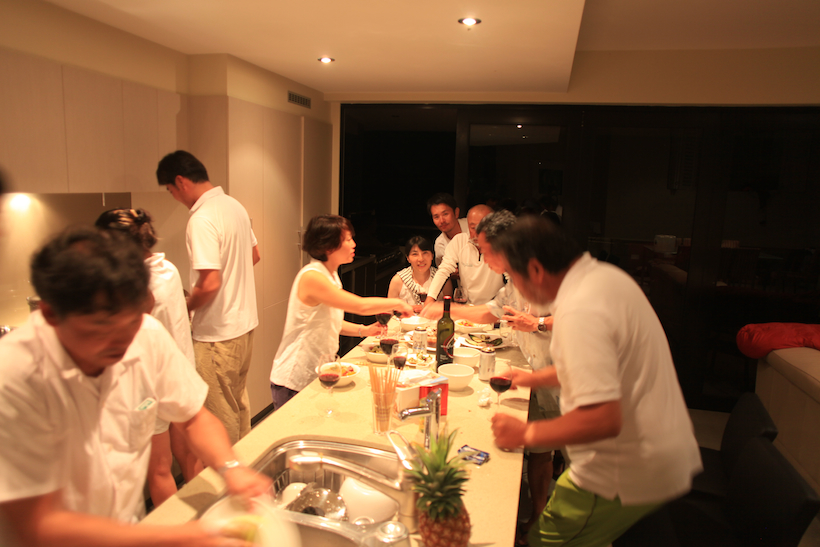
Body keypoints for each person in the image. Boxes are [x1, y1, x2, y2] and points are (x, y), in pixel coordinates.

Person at [0, 227, 270, 547]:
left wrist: (231, 468)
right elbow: (41, 524)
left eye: (131, 322)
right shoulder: (14, 375)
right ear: (51, 314)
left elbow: (192, 417)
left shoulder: (146, 334)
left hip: (126, 528)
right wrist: (186, 536)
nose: (122, 340)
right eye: (102, 326)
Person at [490, 216, 702, 547]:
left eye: (514, 277)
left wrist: (526, 433)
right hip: (658, 453)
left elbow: (603, 418)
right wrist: (530, 378)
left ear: (535, 270)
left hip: (618, 470)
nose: (516, 289)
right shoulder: (604, 278)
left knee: (543, 541)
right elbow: (594, 366)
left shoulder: (580, 309)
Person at [421, 210, 559, 544]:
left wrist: (538, 323)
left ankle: (541, 519)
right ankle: (520, 513)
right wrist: (445, 310)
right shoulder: (513, 282)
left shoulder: (546, 271)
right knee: (529, 446)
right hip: (528, 367)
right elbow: (489, 312)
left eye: (484, 249)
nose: (481, 256)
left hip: (555, 374)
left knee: (544, 452)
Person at [95, 208, 202, 506]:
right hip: (181, 372)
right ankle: (203, 514)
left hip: (148, 386)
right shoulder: (168, 269)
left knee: (160, 469)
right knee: (190, 454)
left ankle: (173, 528)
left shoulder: (134, 287)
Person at [156, 150, 260, 445]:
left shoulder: (201, 218)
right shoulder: (234, 206)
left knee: (219, 416)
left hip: (217, 334)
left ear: (180, 181)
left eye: (170, 190)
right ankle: (246, 462)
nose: (175, 197)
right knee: (238, 406)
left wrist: (184, 306)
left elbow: (210, 283)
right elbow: (254, 254)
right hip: (244, 328)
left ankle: (225, 472)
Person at [269, 215, 413, 410]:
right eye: (347, 239)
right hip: (294, 378)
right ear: (328, 246)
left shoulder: (331, 275)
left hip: (318, 372)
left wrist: (364, 330)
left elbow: (330, 321)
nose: (354, 244)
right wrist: (398, 302)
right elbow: (360, 306)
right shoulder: (312, 277)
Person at [422, 204, 504, 306]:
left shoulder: (502, 246)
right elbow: (443, 270)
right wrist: (430, 299)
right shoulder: (459, 241)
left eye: (482, 228)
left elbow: (512, 279)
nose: (477, 233)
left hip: (494, 307)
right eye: (473, 228)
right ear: (467, 224)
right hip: (466, 306)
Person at [387, 236, 452, 312]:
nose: (421, 259)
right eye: (415, 254)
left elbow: (450, 310)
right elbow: (390, 311)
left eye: (425, 253)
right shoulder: (398, 280)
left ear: (432, 255)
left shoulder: (443, 280)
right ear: (408, 258)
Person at [427, 193, 468, 267]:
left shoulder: (472, 226)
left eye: (445, 214)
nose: (442, 221)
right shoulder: (440, 244)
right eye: (436, 217)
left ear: (456, 212)